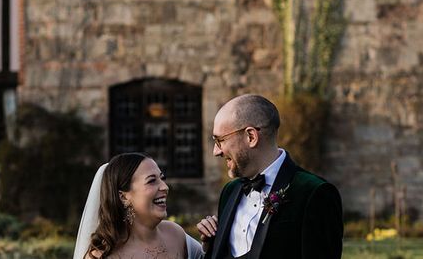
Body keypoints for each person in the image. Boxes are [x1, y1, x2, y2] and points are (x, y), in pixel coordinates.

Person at [196, 94, 343, 259]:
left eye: (219, 140)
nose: (216, 152)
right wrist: (210, 246)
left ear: (251, 137)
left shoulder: (315, 193)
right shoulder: (230, 191)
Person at [74, 152, 204, 259]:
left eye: (162, 178)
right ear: (123, 196)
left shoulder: (175, 234)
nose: (165, 187)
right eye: (151, 181)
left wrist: (210, 241)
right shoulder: (102, 255)